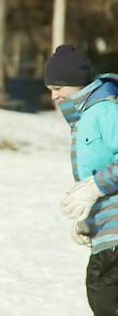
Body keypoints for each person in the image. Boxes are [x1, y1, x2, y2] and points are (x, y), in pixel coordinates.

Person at [44, 45, 118, 316]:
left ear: (74, 83)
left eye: (57, 88)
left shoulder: (105, 112)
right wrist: (88, 218)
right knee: (100, 296)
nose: (53, 96)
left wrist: (94, 188)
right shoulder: (84, 118)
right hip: (106, 234)